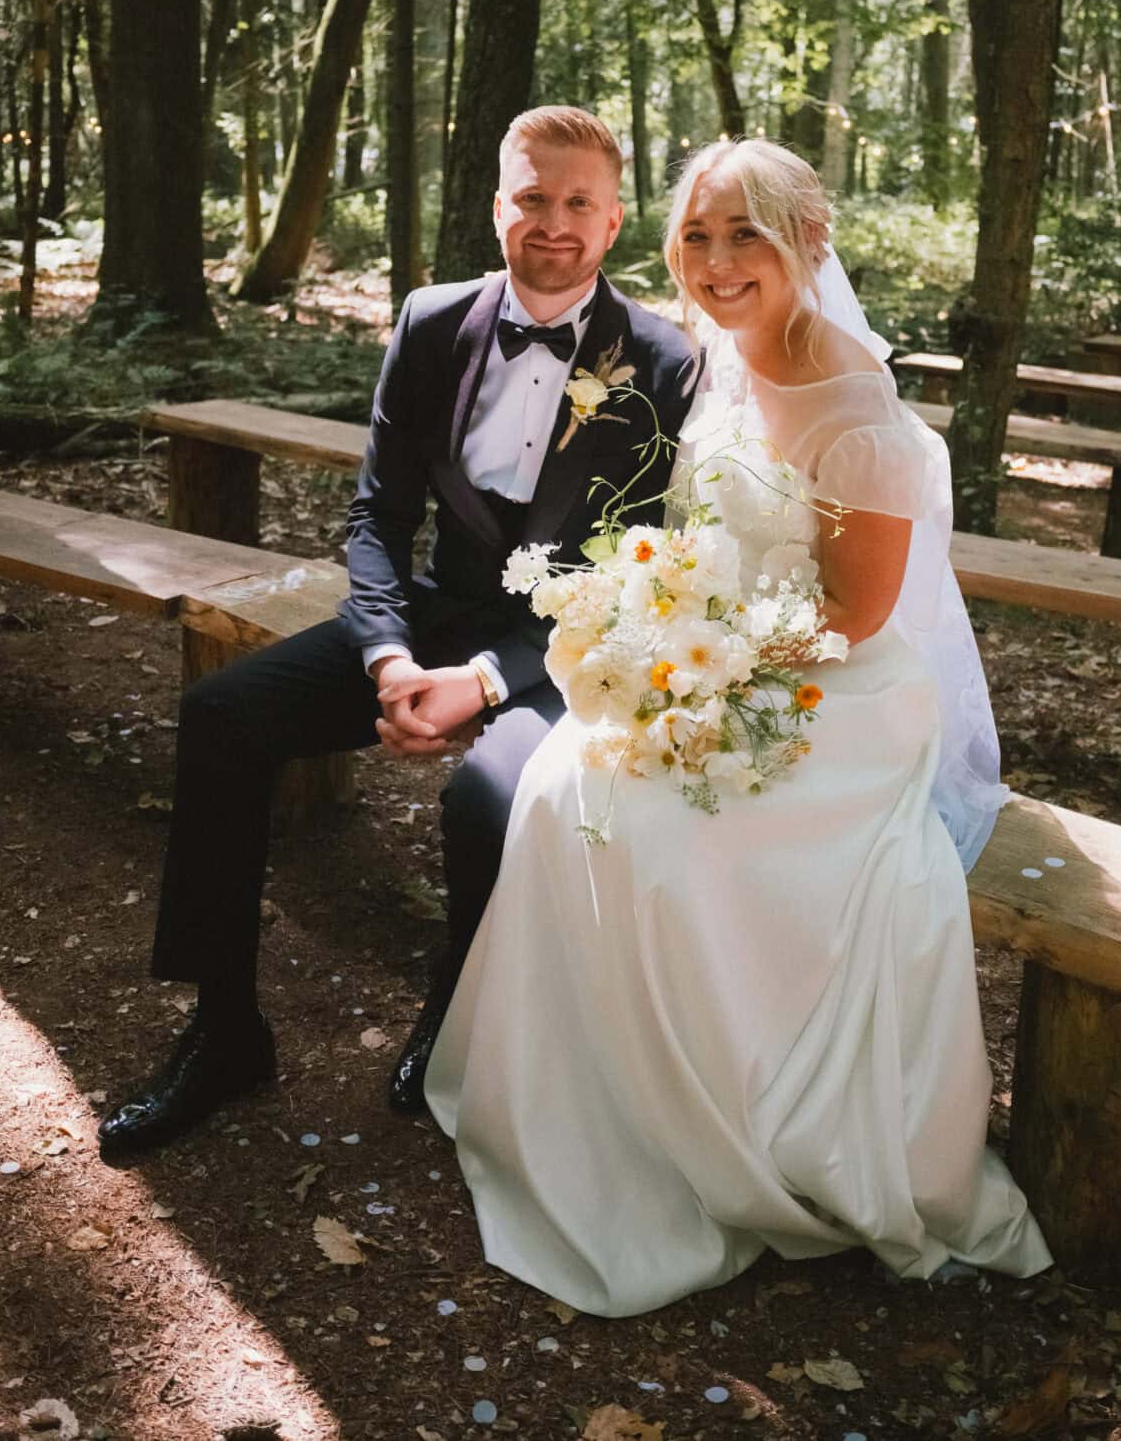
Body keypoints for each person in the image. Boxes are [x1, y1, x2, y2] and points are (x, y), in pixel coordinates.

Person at [424, 138, 1052, 1315]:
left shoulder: (859, 413)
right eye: (698, 236)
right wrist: (649, 625)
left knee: (654, 832)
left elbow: (855, 616)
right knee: (560, 784)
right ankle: (595, 1105)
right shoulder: (715, 355)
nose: (716, 262)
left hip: (834, 694)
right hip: (715, 652)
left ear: (809, 242)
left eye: (746, 235)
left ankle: (714, 1126)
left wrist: (696, 655)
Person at [98, 107, 702, 1159]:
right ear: (498, 207)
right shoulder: (430, 322)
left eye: (578, 204)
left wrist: (486, 680)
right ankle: (225, 1031)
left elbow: (633, 574)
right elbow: (377, 516)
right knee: (223, 716)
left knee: (489, 798)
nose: (553, 223)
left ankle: (454, 1019)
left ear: (613, 223)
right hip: (430, 614)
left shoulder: (663, 360)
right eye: (533, 198)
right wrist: (387, 655)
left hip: (569, 651)